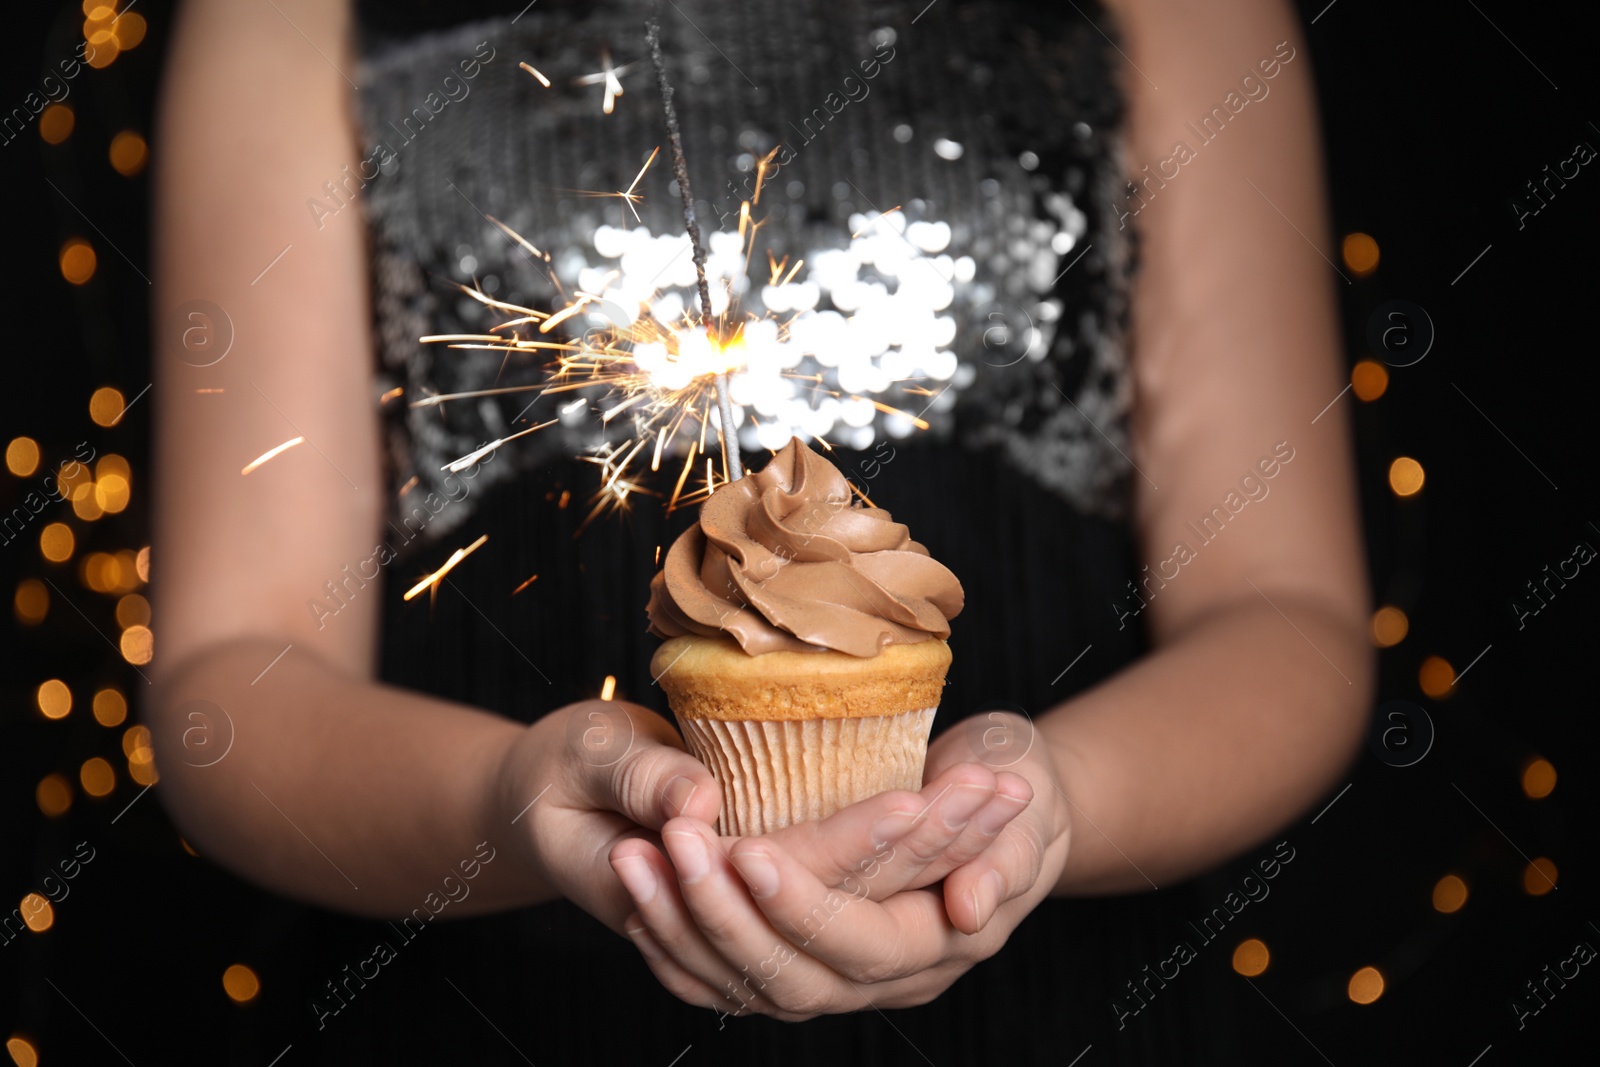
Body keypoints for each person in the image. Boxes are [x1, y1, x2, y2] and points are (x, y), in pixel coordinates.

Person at [149, 0, 1371, 1060]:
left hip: (1074, 998)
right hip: (494, 997)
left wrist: (1050, 808)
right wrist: (508, 803)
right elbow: (231, 684)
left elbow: (1288, 618)